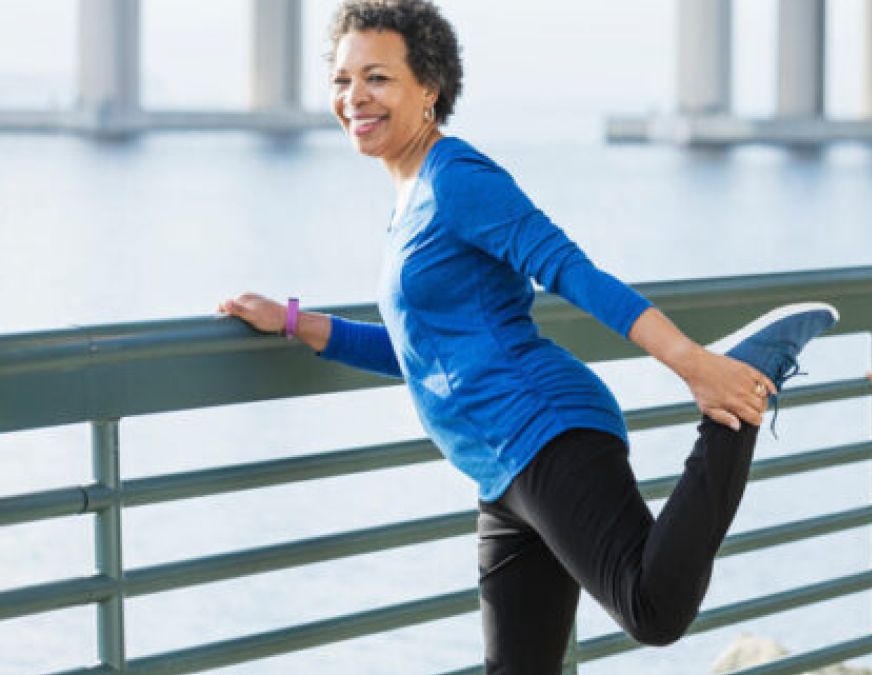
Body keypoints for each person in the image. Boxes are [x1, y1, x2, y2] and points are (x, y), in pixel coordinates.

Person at [218, 1, 838, 672]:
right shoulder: (410, 200)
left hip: (545, 432)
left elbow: (569, 269)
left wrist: (692, 363)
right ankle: (736, 391)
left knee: (652, 608)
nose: (354, 97)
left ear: (428, 88)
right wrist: (291, 320)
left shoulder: (458, 179)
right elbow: (422, 354)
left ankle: (738, 402)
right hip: (499, 472)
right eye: (342, 80)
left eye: (377, 78)